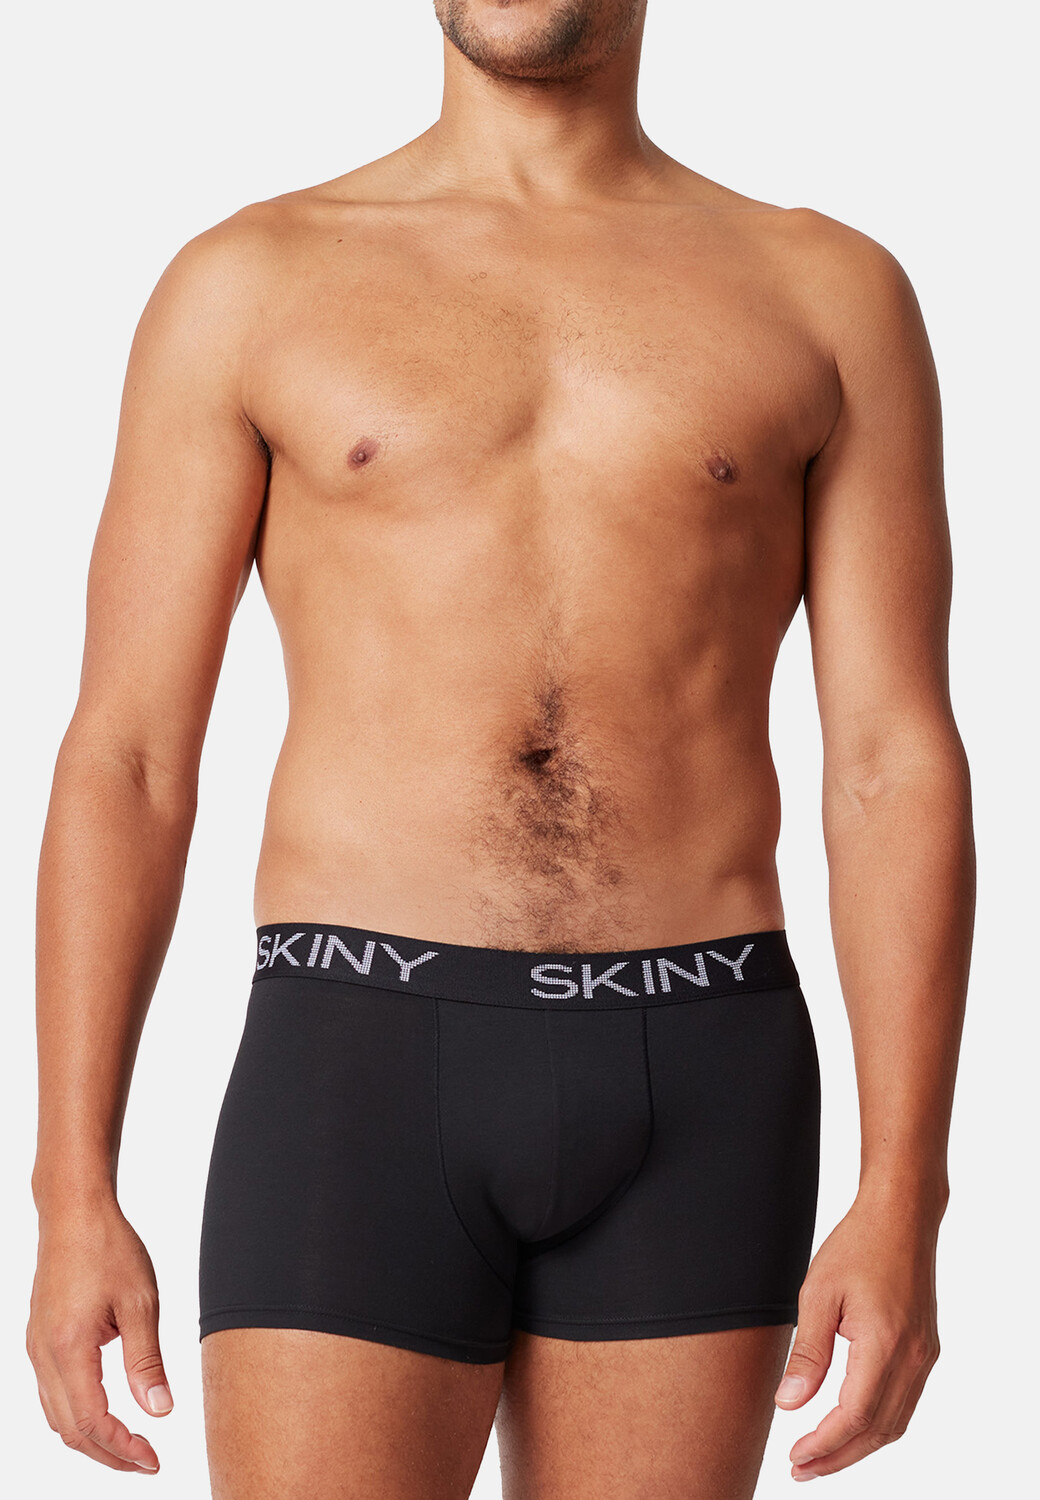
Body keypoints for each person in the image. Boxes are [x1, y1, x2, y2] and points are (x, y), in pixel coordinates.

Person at [25, 2, 975, 1495]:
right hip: (355, 1057)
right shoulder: (252, 281)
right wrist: (71, 1188)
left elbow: (890, 758)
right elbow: (128, 755)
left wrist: (906, 1189)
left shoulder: (825, 290)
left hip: (704, 1060)